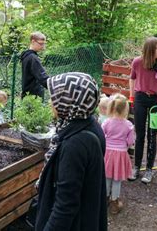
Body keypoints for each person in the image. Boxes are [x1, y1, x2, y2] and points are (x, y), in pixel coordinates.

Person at [35, 72, 108, 231]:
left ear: (70, 101)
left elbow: (65, 206)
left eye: (55, 97)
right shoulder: (90, 124)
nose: (50, 102)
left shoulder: (75, 144)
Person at [129, 37, 157, 184]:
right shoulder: (137, 62)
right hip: (140, 98)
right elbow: (132, 79)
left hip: (155, 100)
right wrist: (132, 97)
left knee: (152, 135)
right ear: (150, 50)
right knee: (139, 134)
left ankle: (149, 169)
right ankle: (136, 167)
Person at [102, 93, 136, 214]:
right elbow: (131, 141)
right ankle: (114, 203)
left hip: (107, 153)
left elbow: (101, 136)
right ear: (126, 109)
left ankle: (104, 199)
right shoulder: (129, 125)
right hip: (121, 154)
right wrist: (124, 145)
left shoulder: (106, 122)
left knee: (106, 178)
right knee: (117, 180)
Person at [21, 32, 49, 99]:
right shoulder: (33, 58)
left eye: (44, 44)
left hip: (28, 95)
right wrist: (55, 86)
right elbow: (42, 77)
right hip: (33, 97)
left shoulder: (27, 56)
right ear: (33, 41)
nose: (43, 47)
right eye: (41, 44)